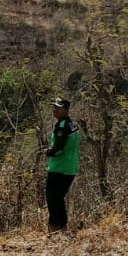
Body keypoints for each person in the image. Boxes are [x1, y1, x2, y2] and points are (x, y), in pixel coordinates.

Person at [45, 98, 80, 233]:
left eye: (58, 108)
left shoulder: (62, 126)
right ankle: (62, 227)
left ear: (65, 110)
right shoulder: (73, 125)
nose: (55, 110)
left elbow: (59, 149)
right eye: (54, 107)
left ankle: (54, 227)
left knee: (52, 198)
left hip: (59, 168)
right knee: (58, 198)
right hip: (70, 167)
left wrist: (48, 152)